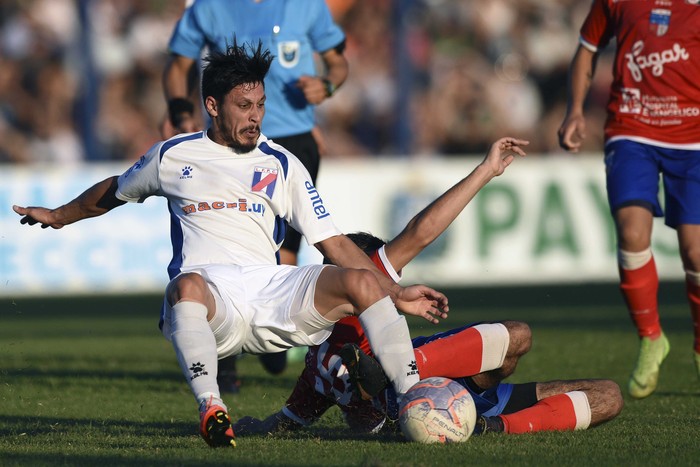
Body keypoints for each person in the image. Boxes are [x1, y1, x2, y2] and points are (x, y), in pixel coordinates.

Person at [13, 42, 448, 448]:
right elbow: (114, 190)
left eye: (260, 105)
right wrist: (56, 215)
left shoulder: (282, 164)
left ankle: (412, 400)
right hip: (213, 298)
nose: (255, 117)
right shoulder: (173, 156)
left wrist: (394, 293)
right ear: (213, 106)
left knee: (359, 280)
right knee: (185, 288)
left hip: (273, 290)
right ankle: (212, 408)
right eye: (244, 106)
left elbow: (332, 241)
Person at [232, 138, 623, 437]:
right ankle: (422, 396)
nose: (337, 279)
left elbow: (422, 231)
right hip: (423, 395)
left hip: (453, 390)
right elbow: (291, 419)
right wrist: (259, 426)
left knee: (608, 394)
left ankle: (443, 403)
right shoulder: (319, 352)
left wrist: (487, 170)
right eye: (330, 269)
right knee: (517, 335)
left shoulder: (364, 289)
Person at [162, 0, 350, 387]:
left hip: (293, 142)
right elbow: (178, 65)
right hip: (230, 147)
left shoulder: (307, 6)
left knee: (287, 251)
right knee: (225, 247)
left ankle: (271, 335)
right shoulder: (209, 8)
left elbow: (338, 62)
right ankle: (224, 357)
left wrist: (328, 85)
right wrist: (180, 109)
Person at [558, 1, 700, 399]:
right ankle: (651, 337)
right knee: (632, 233)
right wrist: (575, 111)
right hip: (631, 129)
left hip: (693, 138)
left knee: (696, 252)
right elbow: (587, 47)